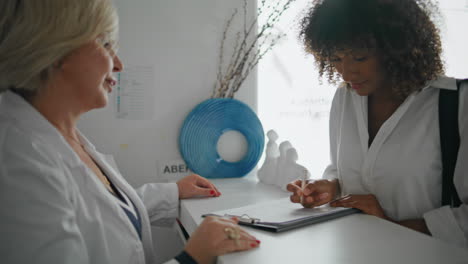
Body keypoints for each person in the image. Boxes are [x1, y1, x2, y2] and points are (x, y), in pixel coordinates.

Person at [0, 1, 260, 263]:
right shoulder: (16, 163)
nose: (118, 64)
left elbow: (98, 213)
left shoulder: (59, 134)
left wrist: (172, 192)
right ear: (57, 49)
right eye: (106, 45)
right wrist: (193, 257)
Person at [286, 0, 468, 248]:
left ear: (398, 47)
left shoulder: (458, 104)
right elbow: (345, 171)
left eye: (359, 58)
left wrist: (389, 224)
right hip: (353, 252)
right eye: (336, 58)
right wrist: (331, 188)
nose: (347, 73)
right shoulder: (345, 98)